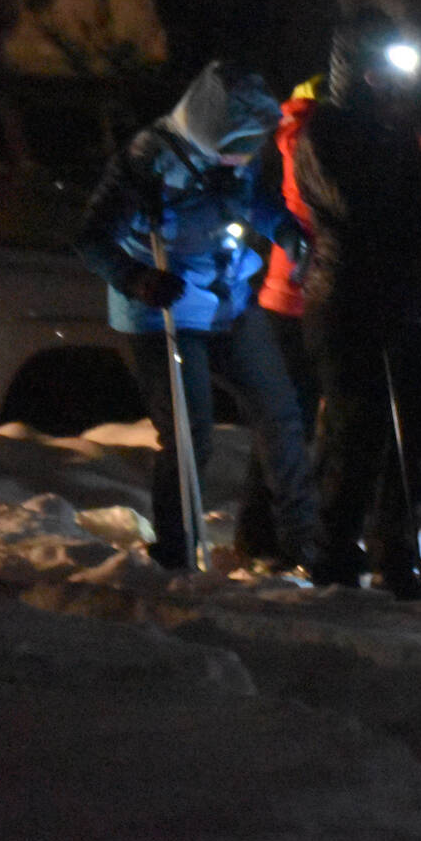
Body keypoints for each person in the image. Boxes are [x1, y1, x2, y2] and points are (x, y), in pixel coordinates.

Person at [75, 60, 317, 571]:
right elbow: (91, 237)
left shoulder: (237, 159)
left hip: (227, 300)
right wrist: (137, 278)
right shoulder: (147, 162)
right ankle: (177, 550)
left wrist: (290, 234)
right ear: (216, 131)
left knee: (280, 413)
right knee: (190, 435)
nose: (249, 155)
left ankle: (302, 538)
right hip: (162, 310)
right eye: (243, 142)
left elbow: (261, 206)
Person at [292, 11, 421, 599]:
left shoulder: (402, 133)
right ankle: (334, 554)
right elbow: (357, 207)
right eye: (381, 70)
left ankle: (398, 555)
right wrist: (419, 185)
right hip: (350, 297)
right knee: (357, 433)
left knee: (417, 435)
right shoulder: (325, 131)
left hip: (410, 299)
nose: (392, 82)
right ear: (356, 71)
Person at [233, 72, 325, 565]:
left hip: (287, 290)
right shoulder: (311, 137)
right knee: (294, 425)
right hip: (306, 292)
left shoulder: (283, 134)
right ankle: (271, 536)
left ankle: (262, 534)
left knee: (285, 424)